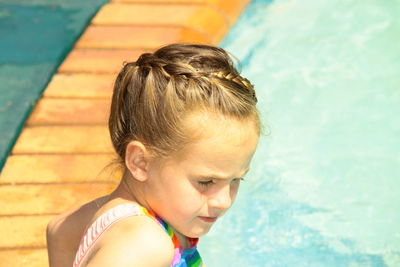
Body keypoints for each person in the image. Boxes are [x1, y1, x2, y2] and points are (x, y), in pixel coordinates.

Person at [46, 43, 260, 267]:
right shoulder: (146, 243)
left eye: (236, 179)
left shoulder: (96, 213)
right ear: (140, 162)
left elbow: (58, 229)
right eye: (206, 181)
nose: (223, 201)